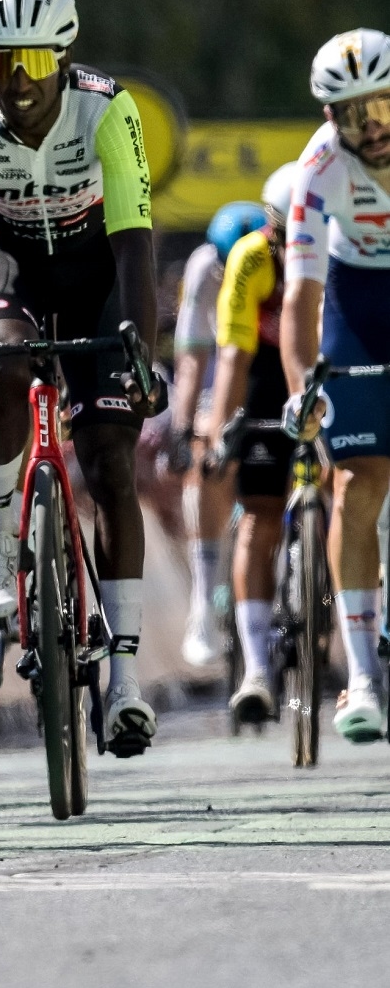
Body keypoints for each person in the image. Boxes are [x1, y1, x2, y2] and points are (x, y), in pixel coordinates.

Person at [0, 0, 163, 754]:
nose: (18, 84)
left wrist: (137, 354)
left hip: (94, 282)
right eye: (0, 64)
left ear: (65, 59)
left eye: (35, 64)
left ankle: (125, 682)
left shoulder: (107, 107)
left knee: (111, 457)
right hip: (6, 270)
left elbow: (136, 243)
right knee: (2, 369)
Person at [283, 30, 390, 742]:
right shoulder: (317, 170)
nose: (372, 125)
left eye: (381, 105)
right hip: (357, 302)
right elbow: (300, 299)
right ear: (329, 119)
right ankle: (359, 678)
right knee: (358, 481)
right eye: (353, 113)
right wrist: (302, 394)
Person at [209, 166, 297, 723]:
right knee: (260, 515)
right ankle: (257, 669)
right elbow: (233, 358)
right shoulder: (252, 258)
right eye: (284, 236)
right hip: (265, 373)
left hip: (324, 364)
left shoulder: (340, 250)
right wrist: (224, 432)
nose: (293, 249)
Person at [170, 199, 268, 669]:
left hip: (269, 365)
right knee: (205, 450)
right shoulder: (205, 266)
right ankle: (204, 598)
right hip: (224, 372)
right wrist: (183, 429)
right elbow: (192, 357)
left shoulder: (275, 256)